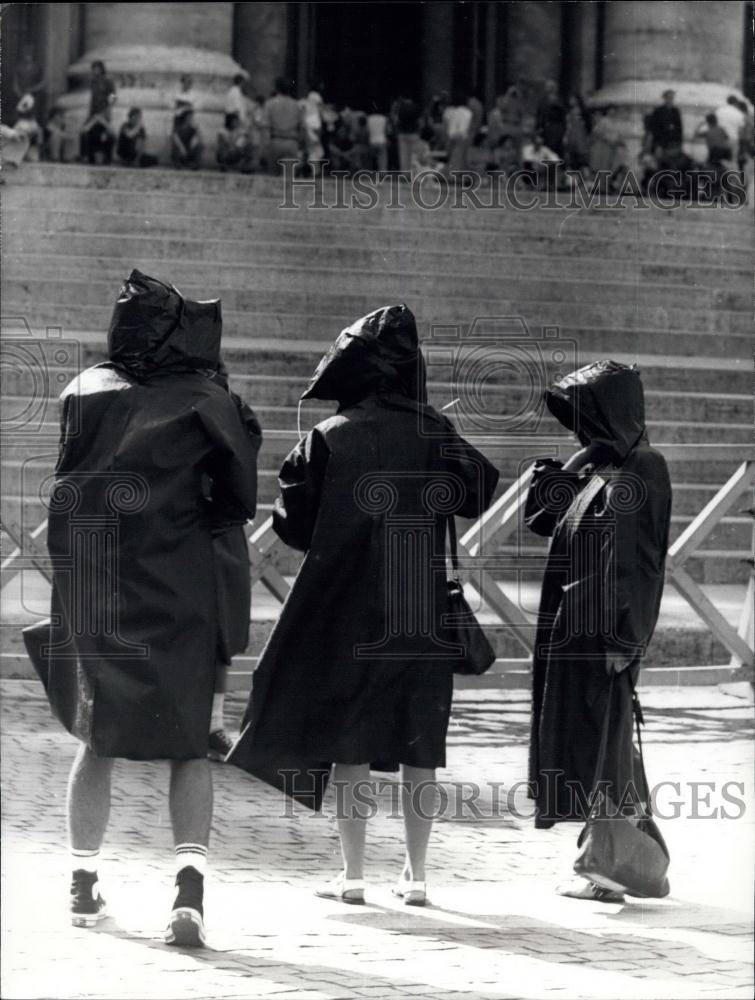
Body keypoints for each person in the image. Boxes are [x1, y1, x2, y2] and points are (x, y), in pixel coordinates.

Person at [228, 304, 499, 906]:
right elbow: (480, 490)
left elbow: (294, 529)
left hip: (348, 612)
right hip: (422, 612)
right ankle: (419, 874)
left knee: (349, 745)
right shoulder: (434, 430)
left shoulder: (328, 436)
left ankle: (352, 874)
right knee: (419, 747)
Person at [22, 270, 260, 945]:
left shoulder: (85, 393)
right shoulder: (208, 400)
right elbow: (236, 499)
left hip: (97, 582)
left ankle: (83, 883)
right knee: (188, 747)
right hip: (178, 583)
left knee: (96, 738)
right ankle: (188, 893)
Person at [524, 360, 671, 902]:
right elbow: (538, 519)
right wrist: (574, 463)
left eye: (589, 418)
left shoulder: (643, 467)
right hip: (575, 633)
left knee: (606, 746)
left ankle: (610, 872)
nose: (582, 429)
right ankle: (619, 861)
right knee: (601, 745)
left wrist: (626, 639)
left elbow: (640, 561)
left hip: (605, 636)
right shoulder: (601, 470)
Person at [262, 76, 302, 173]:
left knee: (273, 179)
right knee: (288, 179)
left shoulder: (270, 104)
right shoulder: (297, 105)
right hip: (291, 142)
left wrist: (265, 145)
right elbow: (302, 126)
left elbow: (265, 126)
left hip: (275, 141)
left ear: (276, 88)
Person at [79, 60, 116, 163]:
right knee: (85, 132)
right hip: (93, 113)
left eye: (97, 68)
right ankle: (86, 155)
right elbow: (93, 99)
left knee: (106, 134)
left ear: (101, 69)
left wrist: (108, 109)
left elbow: (113, 96)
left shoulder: (108, 81)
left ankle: (107, 157)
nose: (95, 71)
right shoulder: (93, 82)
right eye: (93, 68)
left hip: (104, 113)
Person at [536, 80, 567, 158]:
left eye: (551, 88)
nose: (549, 90)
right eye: (548, 88)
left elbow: (563, 115)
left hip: (556, 127)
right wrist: (538, 127)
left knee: (556, 148)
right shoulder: (543, 101)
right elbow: (540, 114)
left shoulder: (559, 100)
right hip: (546, 128)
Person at [646, 89, 683, 156]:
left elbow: (679, 129)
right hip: (660, 144)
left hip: (672, 145)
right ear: (665, 98)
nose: (670, 100)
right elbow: (653, 129)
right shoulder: (658, 111)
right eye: (668, 98)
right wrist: (657, 145)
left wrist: (679, 145)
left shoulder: (676, 112)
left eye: (672, 98)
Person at [443, 94, 473, 174]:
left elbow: (446, 125)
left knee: (450, 156)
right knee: (459, 158)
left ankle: (450, 172)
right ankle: (455, 173)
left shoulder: (450, 110)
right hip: (461, 136)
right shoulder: (467, 112)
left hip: (450, 135)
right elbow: (468, 126)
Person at [394, 94, 421, 172]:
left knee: (403, 155)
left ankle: (405, 174)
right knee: (413, 155)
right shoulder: (416, 107)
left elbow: (397, 121)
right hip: (414, 133)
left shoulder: (401, 108)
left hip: (403, 133)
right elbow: (419, 121)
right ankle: (413, 172)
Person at [564, 94, 590, 172]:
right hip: (573, 138)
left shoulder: (582, 112)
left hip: (580, 138)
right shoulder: (570, 112)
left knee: (580, 159)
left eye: (573, 100)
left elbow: (588, 125)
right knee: (573, 158)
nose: (571, 101)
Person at [12, 93, 42, 161]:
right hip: (18, 151)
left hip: (31, 149)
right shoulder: (20, 124)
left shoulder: (34, 123)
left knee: (33, 159)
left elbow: (37, 141)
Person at [367, 104, 389, 171]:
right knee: (382, 159)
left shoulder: (369, 118)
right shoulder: (384, 119)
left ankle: (370, 172)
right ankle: (382, 173)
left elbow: (368, 130)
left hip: (372, 140)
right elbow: (387, 130)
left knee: (371, 158)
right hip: (382, 140)